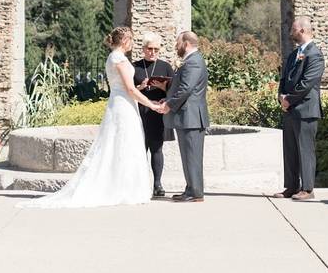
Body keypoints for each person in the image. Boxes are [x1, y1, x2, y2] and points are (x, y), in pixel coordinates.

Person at [20, 27, 165, 208]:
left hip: (123, 102)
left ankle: (124, 186)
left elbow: (126, 87)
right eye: (132, 40)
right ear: (125, 40)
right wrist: (151, 104)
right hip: (123, 106)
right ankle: (123, 189)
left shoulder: (115, 57)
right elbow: (129, 89)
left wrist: (141, 88)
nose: (134, 43)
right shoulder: (118, 58)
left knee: (124, 144)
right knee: (123, 144)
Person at [273, 16, 325, 202]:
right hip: (290, 109)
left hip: (306, 110)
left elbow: (307, 82)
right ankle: (291, 186)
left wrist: (289, 99)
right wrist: (281, 96)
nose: (290, 33)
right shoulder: (294, 54)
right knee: (290, 150)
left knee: (305, 150)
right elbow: (284, 78)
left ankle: (308, 188)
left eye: (293, 29)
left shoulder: (315, 54)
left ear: (302, 30)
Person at [160, 31, 210, 203]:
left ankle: (196, 192)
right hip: (188, 117)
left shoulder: (193, 62)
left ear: (187, 43)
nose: (176, 46)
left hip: (191, 117)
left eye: (178, 42)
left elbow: (186, 89)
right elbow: (181, 87)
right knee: (188, 155)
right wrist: (167, 97)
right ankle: (191, 189)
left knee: (192, 156)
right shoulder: (191, 61)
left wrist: (169, 105)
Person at [133, 32, 175, 198]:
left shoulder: (165, 66)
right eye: (150, 48)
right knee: (139, 149)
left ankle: (157, 184)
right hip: (140, 113)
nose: (153, 52)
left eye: (156, 49)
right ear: (143, 49)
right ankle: (138, 183)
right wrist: (140, 87)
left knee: (157, 148)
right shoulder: (135, 66)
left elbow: (174, 90)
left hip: (158, 113)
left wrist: (165, 91)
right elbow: (127, 90)